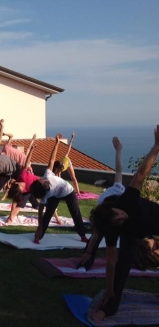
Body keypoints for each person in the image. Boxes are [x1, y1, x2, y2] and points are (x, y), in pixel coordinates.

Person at [90, 125, 159, 320]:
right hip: (133, 235)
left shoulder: (124, 201)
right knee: (121, 268)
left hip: (155, 219)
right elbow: (111, 262)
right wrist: (109, 289)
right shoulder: (112, 229)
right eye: (117, 220)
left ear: (114, 206)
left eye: (117, 213)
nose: (121, 216)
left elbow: (140, 174)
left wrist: (156, 146)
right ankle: (109, 307)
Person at [29, 134, 88, 244]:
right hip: (55, 196)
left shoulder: (47, 176)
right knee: (48, 215)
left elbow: (52, 160)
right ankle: (38, 237)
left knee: (75, 213)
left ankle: (83, 235)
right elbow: (41, 212)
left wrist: (56, 144)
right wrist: (39, 227)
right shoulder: (46, 189)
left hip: (68, 192)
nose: (40, 179)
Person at [76, 137, 125, 270]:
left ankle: (139, 259)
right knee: (98, 235)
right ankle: (85, 262)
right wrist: (88, 252)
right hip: (104, 213)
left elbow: (119, 170)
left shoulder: (121, 193)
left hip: (115, 208)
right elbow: (96, 235)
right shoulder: (102, 209)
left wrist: (118, 150)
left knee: (129, 237)